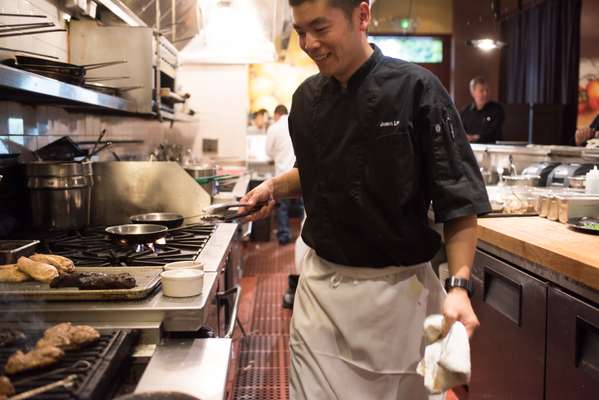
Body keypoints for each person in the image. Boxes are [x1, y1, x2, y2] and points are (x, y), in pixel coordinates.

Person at [241, 1, 491, 398]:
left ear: (361, 16)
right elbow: (323, 171)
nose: (309, 43)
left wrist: (459, 287)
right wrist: (273, 187)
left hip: (400, 299)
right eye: (301, 31)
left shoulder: (418, 90)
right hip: (322, 295)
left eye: (320, 28)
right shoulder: (305, 100)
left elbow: (458, 199)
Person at [266, 104, 303, 245]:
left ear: (276, 114)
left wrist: (277, 155)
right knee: (303, 207)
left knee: (282, 207)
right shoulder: (297, 123)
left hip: (282, 174)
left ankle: (284, 236)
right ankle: (303, 236)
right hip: (300, 173)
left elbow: (268, 151)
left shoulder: (274, 128)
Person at [460, 77, 505, 144]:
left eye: (487, 90)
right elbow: (459, 130)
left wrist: (475, 137)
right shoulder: (465, 111)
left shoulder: (497, 109)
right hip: (470, 148)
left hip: (492, 148)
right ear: (473, 92)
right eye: (481, 90)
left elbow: (494, 131)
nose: (485, 93)